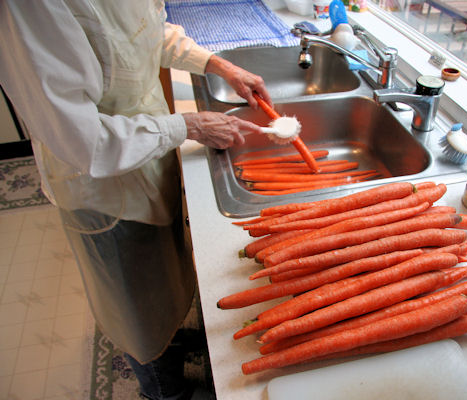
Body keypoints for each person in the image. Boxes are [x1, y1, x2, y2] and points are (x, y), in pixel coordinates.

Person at [0, 1, 272, 399]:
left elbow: (143, 34)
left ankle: (173, 342)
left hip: (150, 148)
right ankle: (164, 391)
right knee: (135, 310)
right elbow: (83, 141)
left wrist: (218, 64)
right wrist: (188, 124)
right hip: (101, 187)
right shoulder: (30, 10)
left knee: (165, 277)